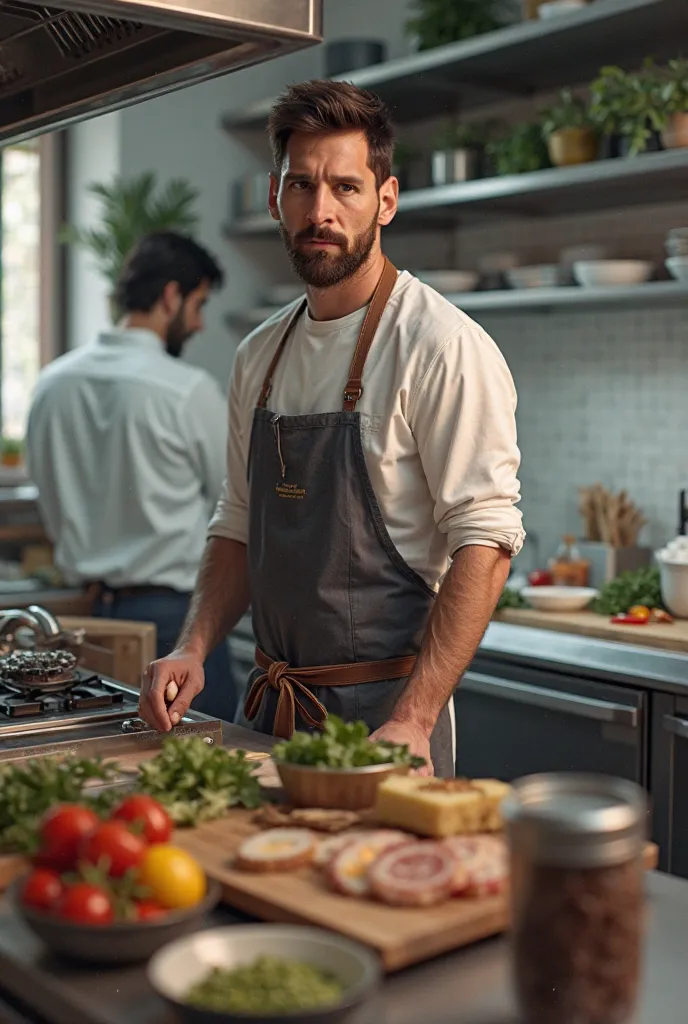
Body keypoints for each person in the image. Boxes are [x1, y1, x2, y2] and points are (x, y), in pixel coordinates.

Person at [138, 81, 525, 776]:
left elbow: (487, 540)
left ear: (387, 200)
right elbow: (237, 520)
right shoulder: (260, 352)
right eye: (302, 185)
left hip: (387, 729)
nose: (321, 211)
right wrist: (193, 645)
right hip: (268, 712)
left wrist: (415, 716)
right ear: (273, 198)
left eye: (346, 187)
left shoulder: (439, 345)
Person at [27, 230, 238, 722]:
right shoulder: (186, 391)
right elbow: (232, 505)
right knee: (201, 773)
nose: (201, 323)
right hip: (176, 625)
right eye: (199, 303)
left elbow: (50, 499)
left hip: (86, 621)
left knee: (101, 763)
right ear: (171, 295)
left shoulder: (51, 385)